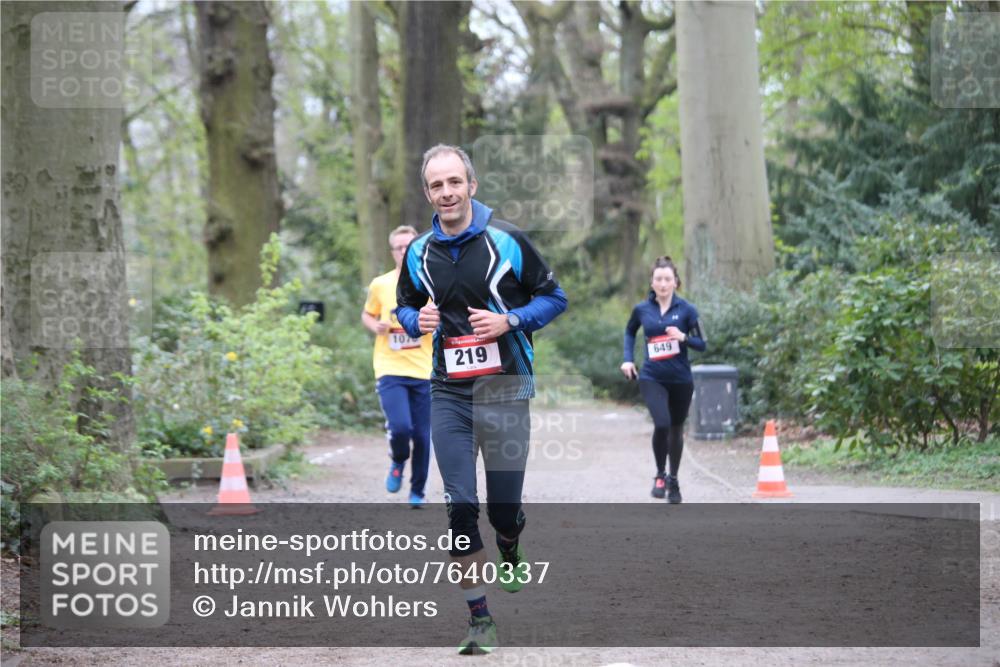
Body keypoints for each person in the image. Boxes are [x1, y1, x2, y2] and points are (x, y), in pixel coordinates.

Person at [396, 144, 567, 655]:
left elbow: (554, 297)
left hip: (506, 387)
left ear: (471, 185)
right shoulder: (418, 251)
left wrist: (509, 320)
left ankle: (510, 544)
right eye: (436, 186)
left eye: (454, 182)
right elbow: (406, 306)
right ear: (427, 193)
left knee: (503, 509)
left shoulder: (508, 241)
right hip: (448, 391)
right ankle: (479, 619)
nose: (446, 192)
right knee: (460, 507)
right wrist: (414, 321)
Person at [621, 256, 706, 504]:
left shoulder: (688, 311)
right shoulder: (642, 309)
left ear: (676, 282)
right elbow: (629, 331)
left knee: (676, 429)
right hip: (652, 376)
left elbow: (702, 344)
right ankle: (659, 474)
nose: (663, 283)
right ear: (652, 282)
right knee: (662, 423)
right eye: (658, 279)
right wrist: (628, 359)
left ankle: (674, 480)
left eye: (668, 279)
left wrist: (683, 337)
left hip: (680, 379)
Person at [362, 225, 433, 508]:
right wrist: (376, 326)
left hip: (424, 369)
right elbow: (367, 315)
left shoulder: (431, 283)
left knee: (423, 436)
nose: (404, 251)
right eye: (399, 247)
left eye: (409, 246)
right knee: (401, 428)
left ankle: (418, 491)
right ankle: (398, 460)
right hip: (389, 367)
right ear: (392, 251)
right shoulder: (380, 284)